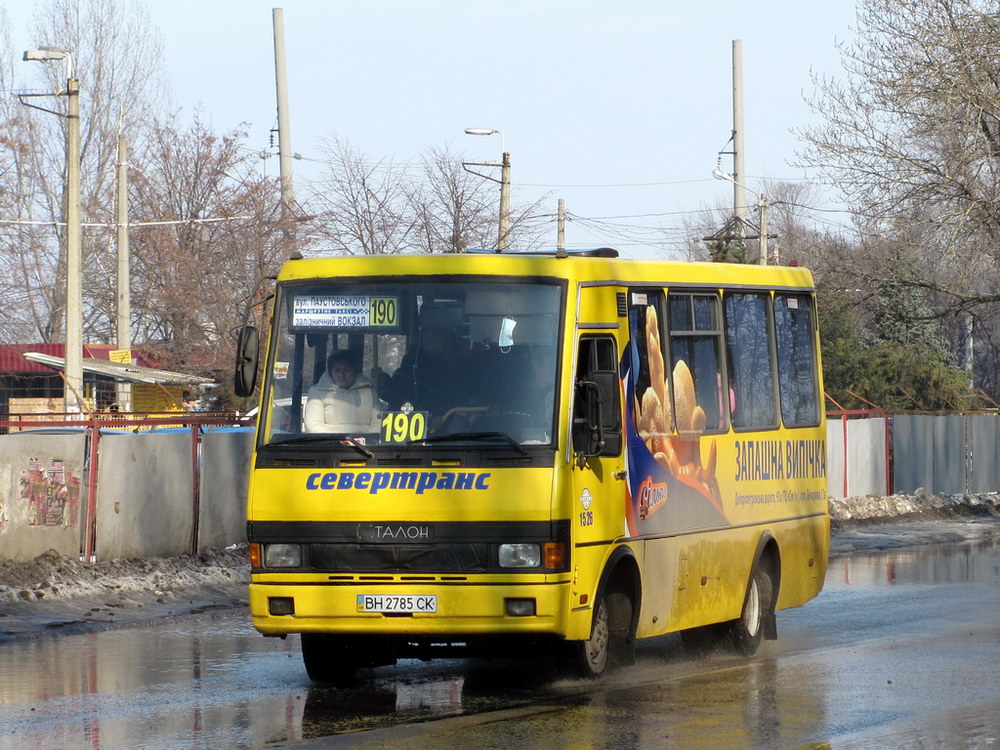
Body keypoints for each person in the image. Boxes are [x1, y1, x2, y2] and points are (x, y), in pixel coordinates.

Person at [304, 351, 380, 434]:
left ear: (354, 372)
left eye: (347, 370)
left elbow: (380, 422)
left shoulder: (370, 391)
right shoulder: (317, 392)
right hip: (329, 446)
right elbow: (313, 425)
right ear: (330, 373)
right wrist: (337, 441)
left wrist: (365, 438)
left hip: (366, 446)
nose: (341, 374)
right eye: (337, 370)